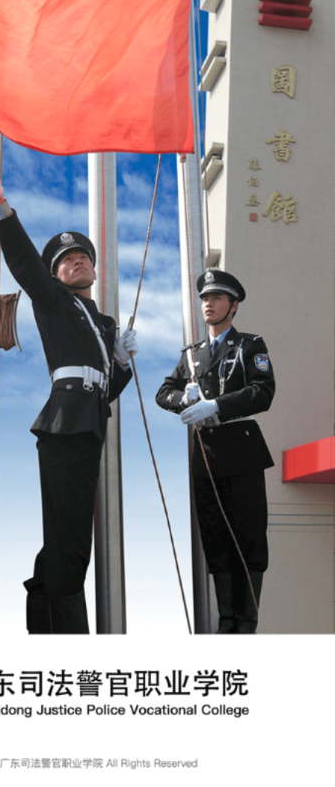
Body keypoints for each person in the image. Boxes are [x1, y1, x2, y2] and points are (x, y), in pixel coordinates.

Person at [0, 156, 137, 634]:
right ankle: (67, 637)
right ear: (55, 276)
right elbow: (24, 263)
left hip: (88, 425)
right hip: (65, 427)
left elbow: (104, 392)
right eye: (64, 261)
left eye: (82, 257)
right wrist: (0, 203)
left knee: (68, 538)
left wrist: (121, 363)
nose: (76, 261)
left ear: (94, 269)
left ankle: (44, 625)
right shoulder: (55, 301)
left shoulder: (102, 322)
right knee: (71, 543)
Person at [155, 269, 275, 634]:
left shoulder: (249, 346)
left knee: (248, 538)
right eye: (205, 298)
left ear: (233, 305)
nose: (208, 303)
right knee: (215, 539)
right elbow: (163, 393)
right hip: (205, 457)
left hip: (240, 450)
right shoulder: (191, 355)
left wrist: (217, 405)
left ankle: (246, 624)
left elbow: (263, 392)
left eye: (217, 298)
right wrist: (183, 398)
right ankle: (225, 624)